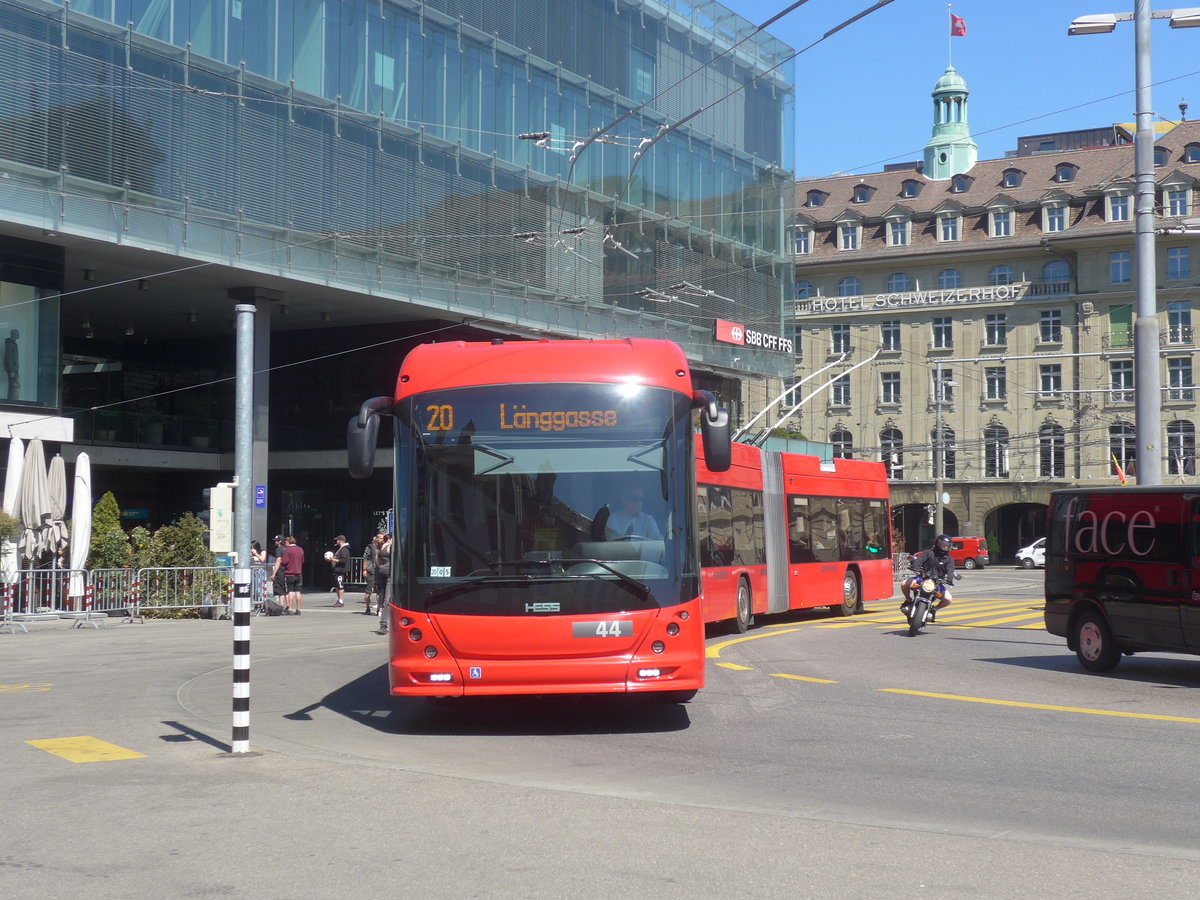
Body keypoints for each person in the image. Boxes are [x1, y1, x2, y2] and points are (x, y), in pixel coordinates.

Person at [901, 533, 955, 618]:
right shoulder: (928, 553)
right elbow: (920, 559)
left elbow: (950, 570)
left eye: (947, 546)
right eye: (943, 545)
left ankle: (934, 609)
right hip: (922, 579)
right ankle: (908, 599)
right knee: (904, 583)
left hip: (937, 583)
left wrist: (949, 579)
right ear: (937, 544)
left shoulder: (949, 559)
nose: (945, 547)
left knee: (948, 599)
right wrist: (914, 566)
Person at [374, 534, 392, 635]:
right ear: (390, 539)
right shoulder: (390, 547)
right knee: (388, 599)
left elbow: (377, 560)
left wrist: (381, 567)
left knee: (383, 592)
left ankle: (380, 609)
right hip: (390, 573)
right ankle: (383, 625)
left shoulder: (381, 547)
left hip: (382, 572)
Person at [282, 535, 305, 615]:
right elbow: (302, 560)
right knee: (298, 591)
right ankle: (298, 609)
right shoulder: (300, 549)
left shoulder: (288, 550)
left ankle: (290, 608)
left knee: (290, 591)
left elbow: (284, 561)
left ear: (288, 542)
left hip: (290, 573)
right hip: (298, 573)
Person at [362, 533, 382, 615]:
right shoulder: (370, 547)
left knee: (379, 591)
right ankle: (367, 607)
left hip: (380, 571)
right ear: (376, 539)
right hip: (371, 571)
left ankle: (379, 609)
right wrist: (364, 570)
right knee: (369, 590)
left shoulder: (383, 546)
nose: (382, 540)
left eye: (382, 538)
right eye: (380, 538)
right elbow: (365, 558)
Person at [330, 534, 350, 607]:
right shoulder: (341, 549)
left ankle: (341, 601)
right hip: (337, 570)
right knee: (337, 586)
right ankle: (339, 600)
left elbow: (343, 560)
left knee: (340, 585)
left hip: (340, 570)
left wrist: (333, 559)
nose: (336, 541)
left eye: (337, 540)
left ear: (340, 541)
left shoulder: (344, 549)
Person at [269, 535, 287, 605]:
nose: (275, 542)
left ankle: (281, 605)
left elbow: (278, 560)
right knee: (286, 589)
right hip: (286, 570)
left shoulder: (278, 549)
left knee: (280, 590)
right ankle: (288, 606)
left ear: (280, 541)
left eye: (276, 541)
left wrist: (274, 573)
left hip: (280, 571)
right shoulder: (286, 549)